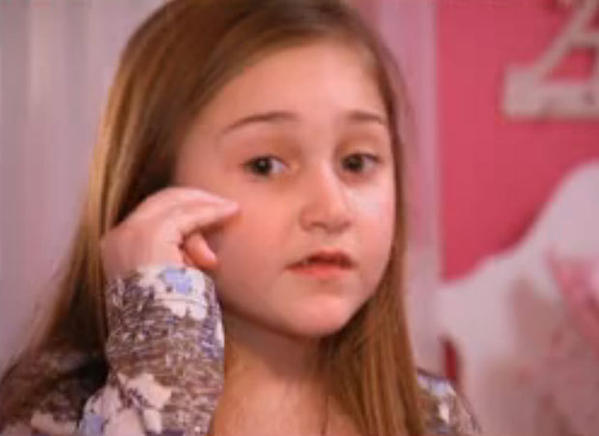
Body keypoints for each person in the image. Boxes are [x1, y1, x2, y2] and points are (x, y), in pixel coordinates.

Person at [0, 0, 481, 435]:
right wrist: (158, 369)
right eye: (265, 165)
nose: (333, 211)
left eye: (356, 162)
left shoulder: (431, 418)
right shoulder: (54, 411)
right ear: (155, 187)